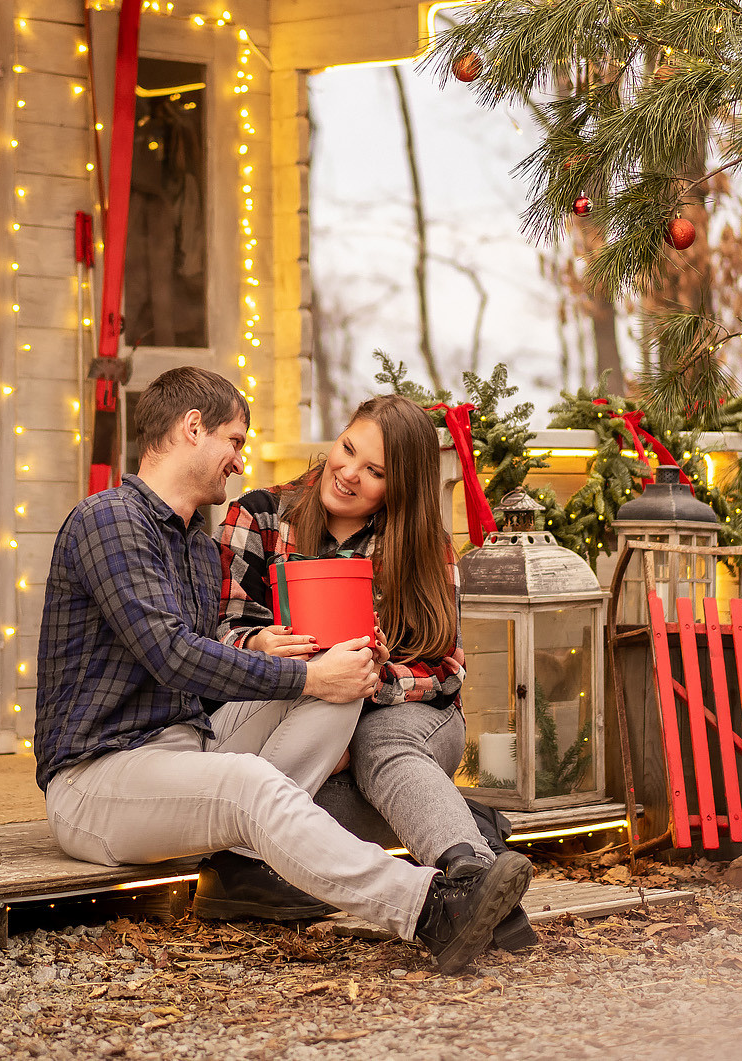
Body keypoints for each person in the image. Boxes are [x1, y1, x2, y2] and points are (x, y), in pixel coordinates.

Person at [34, 366, 531, 974]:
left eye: (375, 471)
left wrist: (332, 674)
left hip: (186, 749)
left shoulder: (192, 538)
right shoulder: (109, 521)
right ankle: (428, 907)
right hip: (97, 780)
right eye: (236, 443)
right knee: (252, 780)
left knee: (342, 681)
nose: (241, 462)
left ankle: (270, 857)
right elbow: (173, 654)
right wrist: (297, 674)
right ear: (194, 429)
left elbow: (424, 666)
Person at [216, 394, 536, 949]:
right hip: (297, 724)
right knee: (284, 806)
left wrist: (370, 679)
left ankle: (467, 871)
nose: (348, 474)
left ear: (401, 486)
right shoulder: (261, 515)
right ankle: (471, 843)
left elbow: (447, 668)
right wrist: (262, 643)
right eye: (347, 450)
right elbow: (221, 630)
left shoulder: (420, 542)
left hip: (413, 717)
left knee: (377, 742)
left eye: (375, 472)